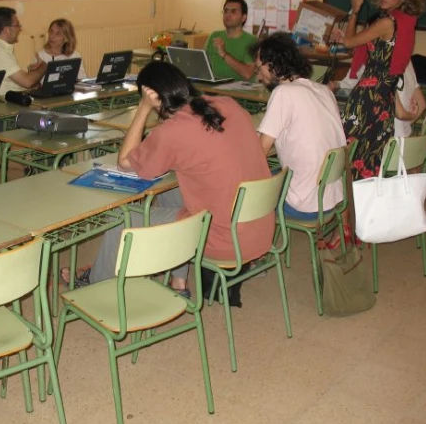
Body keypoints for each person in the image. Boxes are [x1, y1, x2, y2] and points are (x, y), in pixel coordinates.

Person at [66, 61, 274, 307]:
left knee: (120, 217)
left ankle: (95, 286)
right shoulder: (228, 104)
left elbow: (124, 161)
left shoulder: (172, 132)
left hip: (224, 240)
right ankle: (179, 283)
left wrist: (143, 109)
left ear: (152, 95)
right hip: (258, 230)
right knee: (174, 187)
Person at [333, 0, 426, 180]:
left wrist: (355, 10)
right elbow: (392, 71)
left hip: (367, 99)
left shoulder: (386, 22)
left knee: (346, 158)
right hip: (383, 100)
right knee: (370, 162)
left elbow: (349, 42)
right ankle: (364, 211)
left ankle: (345, 209)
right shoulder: (405, 23)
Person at [252, 33, 347, 245]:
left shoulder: (284, 93)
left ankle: (253, 253)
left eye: (259, 69)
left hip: (304, 206)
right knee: (274, 172)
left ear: (273, 65)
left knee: (243, 192)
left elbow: (260, 153)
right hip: (331, 199)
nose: (259, 76)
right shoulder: (323, 90)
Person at [332, 61, 426, 138]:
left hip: (386, 142)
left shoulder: (378, 62)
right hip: (405, 140)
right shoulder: (407, 61)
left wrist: (409, 117)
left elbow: (400, 114)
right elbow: (422, 104)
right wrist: (405, 126)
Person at [0, 7, 47, 97]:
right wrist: (44, 66)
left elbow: (21, 81)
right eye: (17, 25)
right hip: (4, 103)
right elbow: (27, 82)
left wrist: (33, 75)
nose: (20, 29)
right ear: (6, 30)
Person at [205, 0, 257, 81]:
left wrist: (224, 54)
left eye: (233, 11)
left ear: (244, 17)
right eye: (226, 11)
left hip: (239, 93)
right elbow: (203, 64)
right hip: (213, 90)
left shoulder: (252, 41)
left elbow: (247, 74)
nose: (228, 15)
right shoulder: (214, 36)